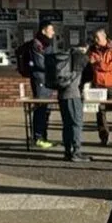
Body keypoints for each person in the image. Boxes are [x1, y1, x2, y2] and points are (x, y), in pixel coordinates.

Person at [86, 28, 112, 148]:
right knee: (100, 112)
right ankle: (103, 138)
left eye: (97, 38)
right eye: (94, 38)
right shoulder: (92, 49)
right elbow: (89, 63)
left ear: (104, 38)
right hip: (97, 84)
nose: (95, 40)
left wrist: (99, 62)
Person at [56, 43, 89, 163]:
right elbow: (89, 74)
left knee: (67, 124)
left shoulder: (66, 56)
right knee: (76, 123)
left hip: (62, 94)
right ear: (85, 48)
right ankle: (76, 152)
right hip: (73, 94)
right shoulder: (81, 57)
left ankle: (67, 151)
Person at [29, 19, 58, 149]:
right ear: (43, 30)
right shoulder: (37, 44)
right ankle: (38, 137)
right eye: (51, 29)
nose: (53, 32)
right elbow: (40, 63)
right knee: (41, 108)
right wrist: (54, 66)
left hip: (48, 81)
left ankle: (44, 137)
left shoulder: (47, 44)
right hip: (40, 80)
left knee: (47, 110)